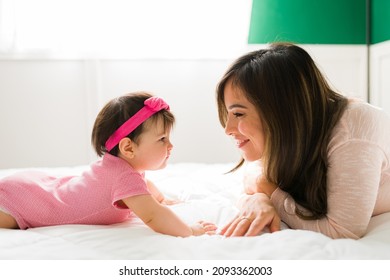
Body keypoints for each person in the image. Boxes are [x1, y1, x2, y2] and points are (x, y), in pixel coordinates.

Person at [216, 42, 390, 239]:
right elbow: (252, 175)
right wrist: (258, 200)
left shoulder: (354, 129)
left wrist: (270, 192)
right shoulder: (291, 139)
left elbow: (343, 230)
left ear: (282, 111)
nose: (227, 130)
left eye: (238, 113)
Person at [0, 92, 216, 237]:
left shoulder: (122, 170)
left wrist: (161, 198)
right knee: (7, 221)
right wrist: (189, 230)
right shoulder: (124, 177)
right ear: (128, 148)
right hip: (27, 201)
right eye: (162, 139)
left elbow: (144, 187)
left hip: (33, 187)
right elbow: (153, 215)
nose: (170, 145)